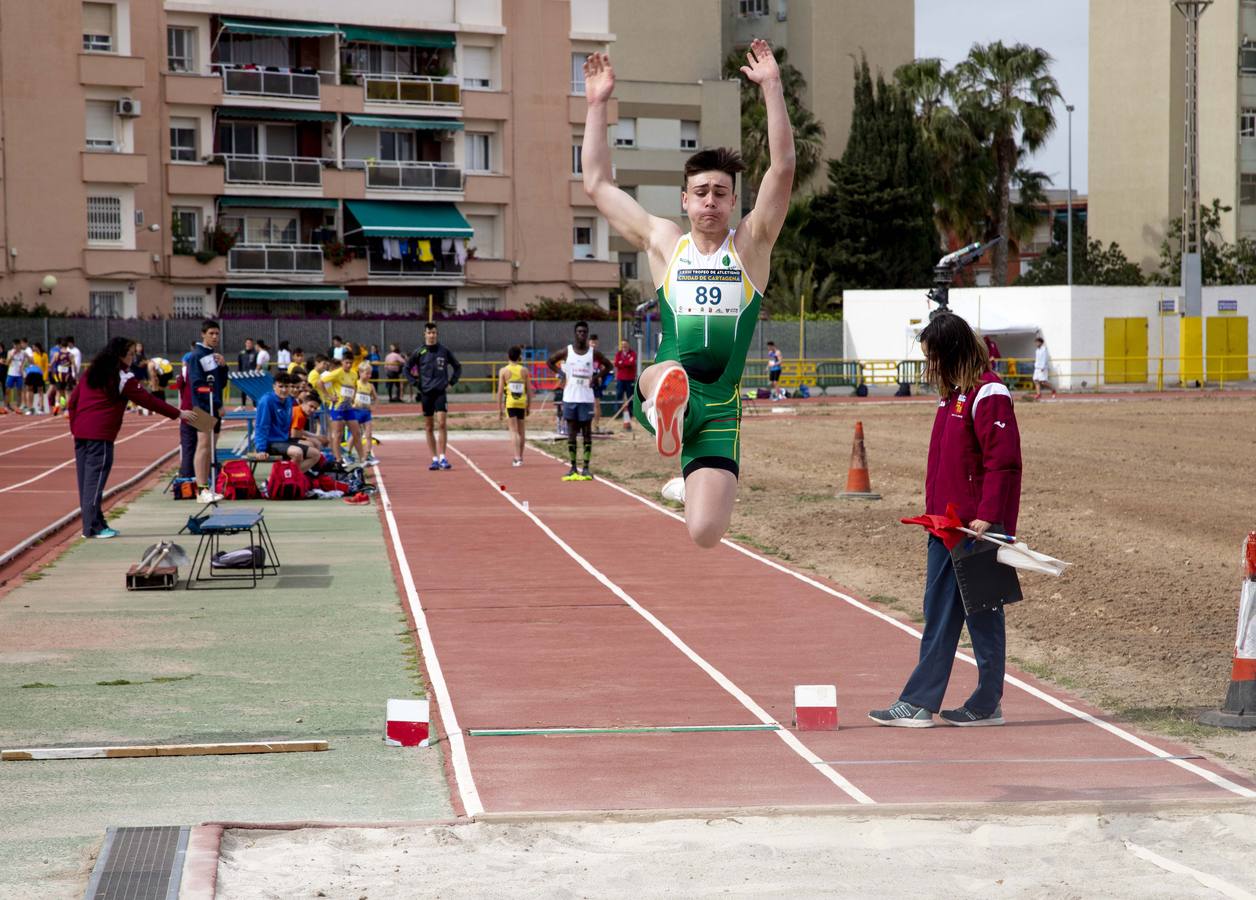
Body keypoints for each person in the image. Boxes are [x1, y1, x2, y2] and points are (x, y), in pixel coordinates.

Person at [581, 40, 795, 545]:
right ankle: (663, 409)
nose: (710, 202)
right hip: (666, 385)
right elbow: (596, 184)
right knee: (666, 371)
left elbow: (782, 167)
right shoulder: (664, 244)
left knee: (705, 533)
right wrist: (596, 105)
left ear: (734, 200)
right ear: (685, 199)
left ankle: (680, 471)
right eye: (700, 192)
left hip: (720, 407)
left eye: (721, 193)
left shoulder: (750, 247)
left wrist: (772, 87)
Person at [869, 312, 1022, 727]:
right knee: (939, 612)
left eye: (933, 358)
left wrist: (990, 518)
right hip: (945, 526)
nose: (928, 367)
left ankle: (984, 702)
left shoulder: (989, 394)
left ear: (952, 352)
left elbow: (1003, 464)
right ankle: (922, 701)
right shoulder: (953, 394)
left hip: (976, 530)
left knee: (984, 616)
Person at [67, 337, 194, 538]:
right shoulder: (123, 378)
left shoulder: (91, 372)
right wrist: (178, 413)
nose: (133, 358)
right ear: (120, 355)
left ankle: (97, 523)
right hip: (100, 436)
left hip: (82, 434)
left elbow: (72, 401)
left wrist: (75, 427)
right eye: (131, 354)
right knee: (94, 482)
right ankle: (90, 528)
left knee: (86, 482)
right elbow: (149, 401)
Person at [548, 321, 612, 481]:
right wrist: (561, 373)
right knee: (571, 432)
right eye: (579, 332)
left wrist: (596, 378)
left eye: (584, 332)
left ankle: (586, 467)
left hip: (586, 398)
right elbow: (550, 361)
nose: (582, 334)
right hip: (570, 398)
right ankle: (572, 467)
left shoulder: (593, 353)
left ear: (587, 333)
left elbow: (608, 365)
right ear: (575, 333)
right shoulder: (567, 351)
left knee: (587, 433)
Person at [406, 322, 461, 470]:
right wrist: (415, 383)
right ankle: (434, 458)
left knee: (442, 423)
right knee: (429, 426)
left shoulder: (444, 351)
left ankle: (443, 457)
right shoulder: (419, 352)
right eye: (429, 333)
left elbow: (457, 367)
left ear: (437, 334)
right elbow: (406, 368)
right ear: (425, 334)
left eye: (434, 333)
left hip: (440, 392)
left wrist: (451, 382)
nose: (432, 335)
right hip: (426, 393)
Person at [188, 319, 227, 503]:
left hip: (214, 408)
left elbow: (221, 383)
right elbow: (197, 385)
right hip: (203, 408)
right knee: (203, 446)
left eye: (217, 333)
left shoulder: (214, 356)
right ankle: (201, 489)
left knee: (211, 448)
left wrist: (223, 367)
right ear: (203, 334)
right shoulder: (196, 356)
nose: (214, 337)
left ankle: (208, 487)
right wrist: (217, 403)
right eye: (211, 333)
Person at [256, 373, 320, 473]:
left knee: (315, 454)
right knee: (297, 453)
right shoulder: (267, 401)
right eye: (280, 386)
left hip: (284, 440)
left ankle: (289, 478)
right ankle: (273, 481)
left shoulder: (289, 400)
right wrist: (261, 449)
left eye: (286, 386)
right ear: (274, 386)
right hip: (271, 442)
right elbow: (261, 426)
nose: (284, 390)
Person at [321, 353, 364, 464]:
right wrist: (328, 396)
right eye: (346, 362)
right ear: (342, 362)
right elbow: (319, 382)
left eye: (351, 363)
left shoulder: (354, 374)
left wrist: (354, 399)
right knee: (338, 434)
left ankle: (363, 458)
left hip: (348, 407)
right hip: (337, 407)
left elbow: (354, 386)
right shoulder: (337, 373)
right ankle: (338, 459)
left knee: (357, 432)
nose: (349, 365)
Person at [498, 345, 532, 466]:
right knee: (521, 431)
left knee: (513, 431)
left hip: (510, 403)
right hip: (521, 403)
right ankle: (521, 457)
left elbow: (500, 391)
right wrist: (529, 406)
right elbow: (529, 390)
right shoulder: (524, 370)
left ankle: (517, 457)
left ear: (508, 356)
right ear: (520, 357)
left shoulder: (504, 371)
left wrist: (499, 409)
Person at [353, 360, 379, 466]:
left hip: (366, 413)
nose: (369, 375)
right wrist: (352, 405)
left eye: (370, 373)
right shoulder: (356, 383)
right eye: (367, 373)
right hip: (356, 412)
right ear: (360, 372)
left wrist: (373, 407)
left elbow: (376, 398)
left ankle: (368, 454)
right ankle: (351, 453)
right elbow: (350, 396)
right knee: (356, 434)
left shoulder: (370, 386)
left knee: (369, 434)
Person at [47, 340, 76, 416]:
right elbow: (74, 365)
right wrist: (75, 374)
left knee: (59, 392)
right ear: (67, 346)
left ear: (61, 346)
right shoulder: (70, 355)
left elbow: (51, 364)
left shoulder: (57, 354)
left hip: (58, 376)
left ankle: (57, 405)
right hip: (67, 376)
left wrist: (50, 371)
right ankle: (67, 409)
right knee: (67, 393)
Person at [613, 338, 637, 431]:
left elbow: (631, 363)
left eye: (626, 344)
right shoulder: (618, 354)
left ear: (628, 345)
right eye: (623, 344)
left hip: (630, 379)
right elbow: (616, 363)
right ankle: (618, 413)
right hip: (620, 379)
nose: (624, 346)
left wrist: (622, 363)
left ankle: (630, 414)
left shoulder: (633, 353)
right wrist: (624, 363)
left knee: (630, 396)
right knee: (618, 395)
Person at [5, 337, 30, 411]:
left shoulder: (23, 353)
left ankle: (18, 406)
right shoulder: (10, 352)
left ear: (20, 345)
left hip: (19, 375)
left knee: (20, 391)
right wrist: (12, 356)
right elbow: (7, 363)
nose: (15, 347)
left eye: (17, 345)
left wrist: (24, 367)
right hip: (11, 374)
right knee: (8, 390)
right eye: (14, 345)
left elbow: (28, 361)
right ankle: (6, 405)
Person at [24, 342, 48, 414]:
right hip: (31, 373)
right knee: (29, 390)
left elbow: (45, 366)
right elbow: (27, 364)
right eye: (32, 347)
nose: (33, 348)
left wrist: (45, 376)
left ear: (38, 347)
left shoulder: (44, 355)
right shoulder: (32, 355)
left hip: (39, 374)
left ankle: (41, 408)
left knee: (40, 391)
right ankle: (30, 408)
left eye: (34, 347)